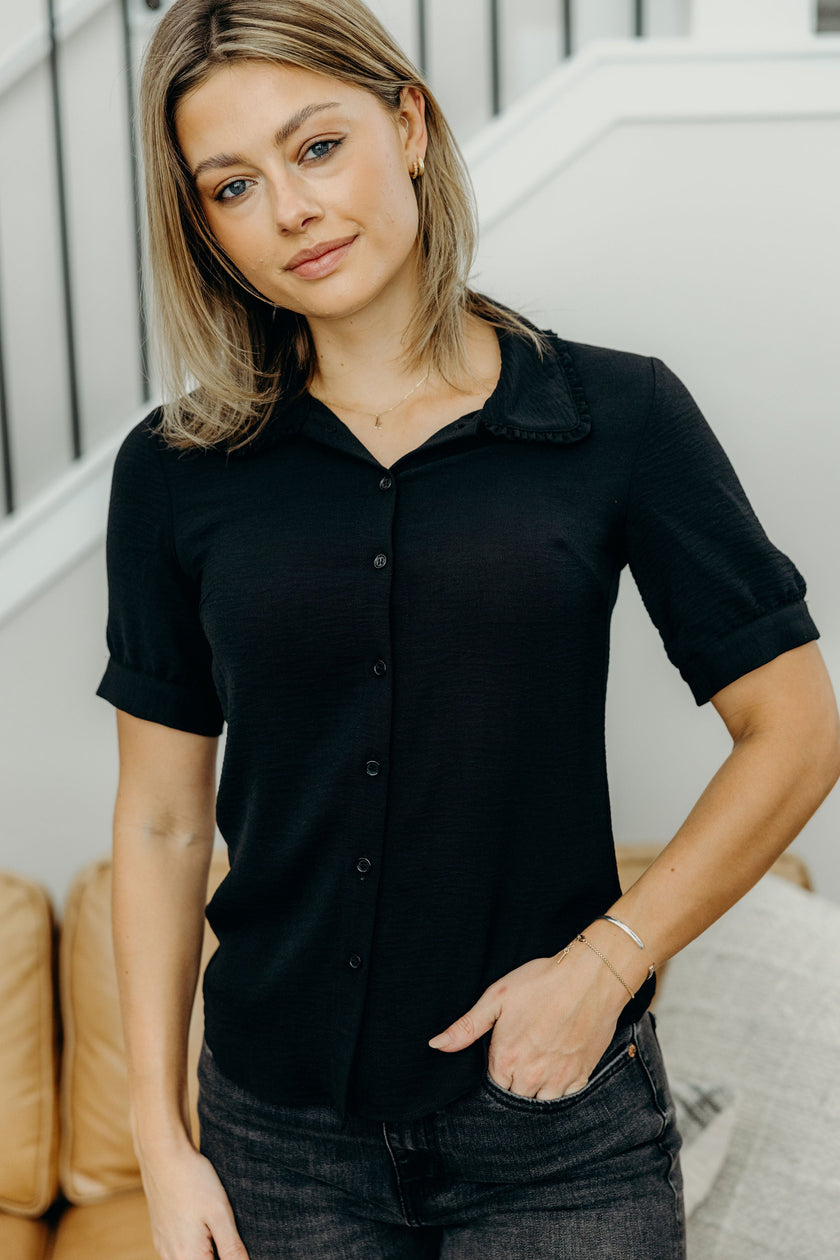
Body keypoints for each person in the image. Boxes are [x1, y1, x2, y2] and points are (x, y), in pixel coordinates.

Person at [94, 1, 840, 1257]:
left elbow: (798, 728)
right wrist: (161, 1146)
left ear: (409, 124)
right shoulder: (175, 471)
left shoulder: (619, 418)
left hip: (559, 1137)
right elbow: (165, 820)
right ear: (205, 227)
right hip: (278, 1145)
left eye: (316, 146)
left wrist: (607, 964)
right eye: (234, 185)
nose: (292, 210)